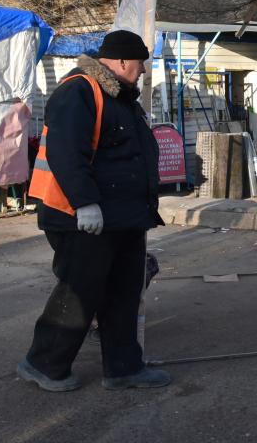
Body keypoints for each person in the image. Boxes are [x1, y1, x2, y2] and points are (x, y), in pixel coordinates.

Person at [18, 30, 170, 392]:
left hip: (122, 217)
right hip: (82, 217)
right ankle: (43, 363)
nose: (144, 70)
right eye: (139, 63)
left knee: (123, 292)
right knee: (79, 293)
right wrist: (85, 202)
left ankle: (123, 368)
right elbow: (66, 152)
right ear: (119, 62)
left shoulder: (120, 97)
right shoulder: (80, 91)